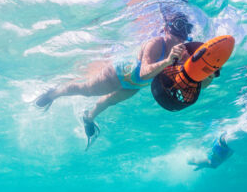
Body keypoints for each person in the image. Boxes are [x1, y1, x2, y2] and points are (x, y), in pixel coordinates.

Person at [34, 12, 207, 150]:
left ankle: (88, 117)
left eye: (183, 35)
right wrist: (168, 60)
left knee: (109, 101)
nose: (179, 39)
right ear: (166, 29)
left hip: (136, 85)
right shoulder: (156, 43)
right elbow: (145, 72)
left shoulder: (181, 52)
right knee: (85, 89)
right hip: (119, 74)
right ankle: (54, 93)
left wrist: (208, 72)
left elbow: (192, 78)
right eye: (176, 33)